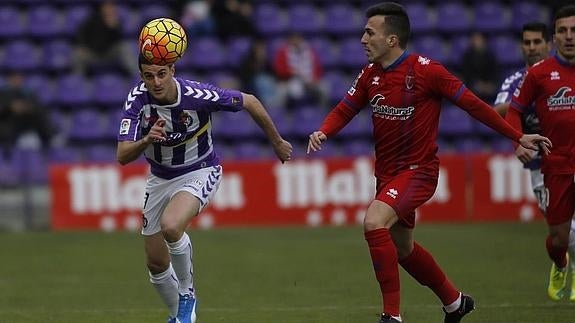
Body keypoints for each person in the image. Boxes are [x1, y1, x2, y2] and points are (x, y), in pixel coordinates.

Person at [306, 3, 552, 323]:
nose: (363, 39)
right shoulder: (370, 75)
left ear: (392, 39)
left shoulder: (427, 72)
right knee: (404, 249)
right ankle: (455, 301)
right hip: (388, 175)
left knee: (373, 222)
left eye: (370, 32)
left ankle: (391, 315)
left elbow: (474, 106)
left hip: (418, 172)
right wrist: (323, 131)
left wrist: (516, 136)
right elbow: (345, 108)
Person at [116, 53, 293, 323]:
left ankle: (187, 295)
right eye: (149, 76)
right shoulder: (137, 99)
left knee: (172, 226)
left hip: (200, 169)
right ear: (141, 76)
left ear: (172, 70)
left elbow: (250, 101)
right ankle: (178, 316)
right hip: (159, 178)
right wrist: (146, 139)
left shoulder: (197, 95)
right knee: (155, 263)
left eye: (162, 73)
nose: (156, 81)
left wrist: (277, 142)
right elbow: (122, 155)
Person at [494, 21, 575, 300]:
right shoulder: (516, 80)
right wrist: (529, 95)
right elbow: (498, 110)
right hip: (541, 166)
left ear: (547, 44)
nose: (531, 48)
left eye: (536, 42)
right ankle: (561, 262)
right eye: (526, 43)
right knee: (560, 234)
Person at [73, 0, 138, 77]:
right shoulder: (92, 20)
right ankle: (77, 78)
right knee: (78, 54)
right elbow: (82, 34)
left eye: (111, 7)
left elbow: (118, 39)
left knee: (124, 47)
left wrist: (113, 28)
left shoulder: (116, 22)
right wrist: (83, 45)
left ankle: (136, 74)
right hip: (92, 52)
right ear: (102, 8)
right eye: (107, 7)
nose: (109, 9)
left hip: (109, 52)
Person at [0, 71, 53, 156]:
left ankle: (50, 140)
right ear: (9, 80)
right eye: (14, 78)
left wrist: (26, 108)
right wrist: (10, 107)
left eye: (19, 78)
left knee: (40, 116)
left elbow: (37, 106)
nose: (17, 81)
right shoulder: (3, 94)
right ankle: (8, 155)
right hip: (8, 122)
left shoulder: (28, 93)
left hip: (25, 121)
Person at [272, 32, 327, 108]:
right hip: (288, 81)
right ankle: (280, 115)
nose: (296, 41)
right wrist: (292, 73)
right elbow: (279, 71)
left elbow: (318, 69)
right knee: (281, 91)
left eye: (298, 39)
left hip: (309, 82)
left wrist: (314, 80)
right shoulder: (283, 52)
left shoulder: (310, 51)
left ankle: (322, 112)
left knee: (323, 88)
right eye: (294, 39)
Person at [460, 31, 501, 102]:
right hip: (473, 86)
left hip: (489, 86)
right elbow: (466, 74)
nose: (477, 42)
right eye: (475, 39)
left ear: (483, 40)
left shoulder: (490, 56)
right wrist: (478, 84)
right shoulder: (467, 56)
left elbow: (495, 72)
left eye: (479, 39)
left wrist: (489, 85)